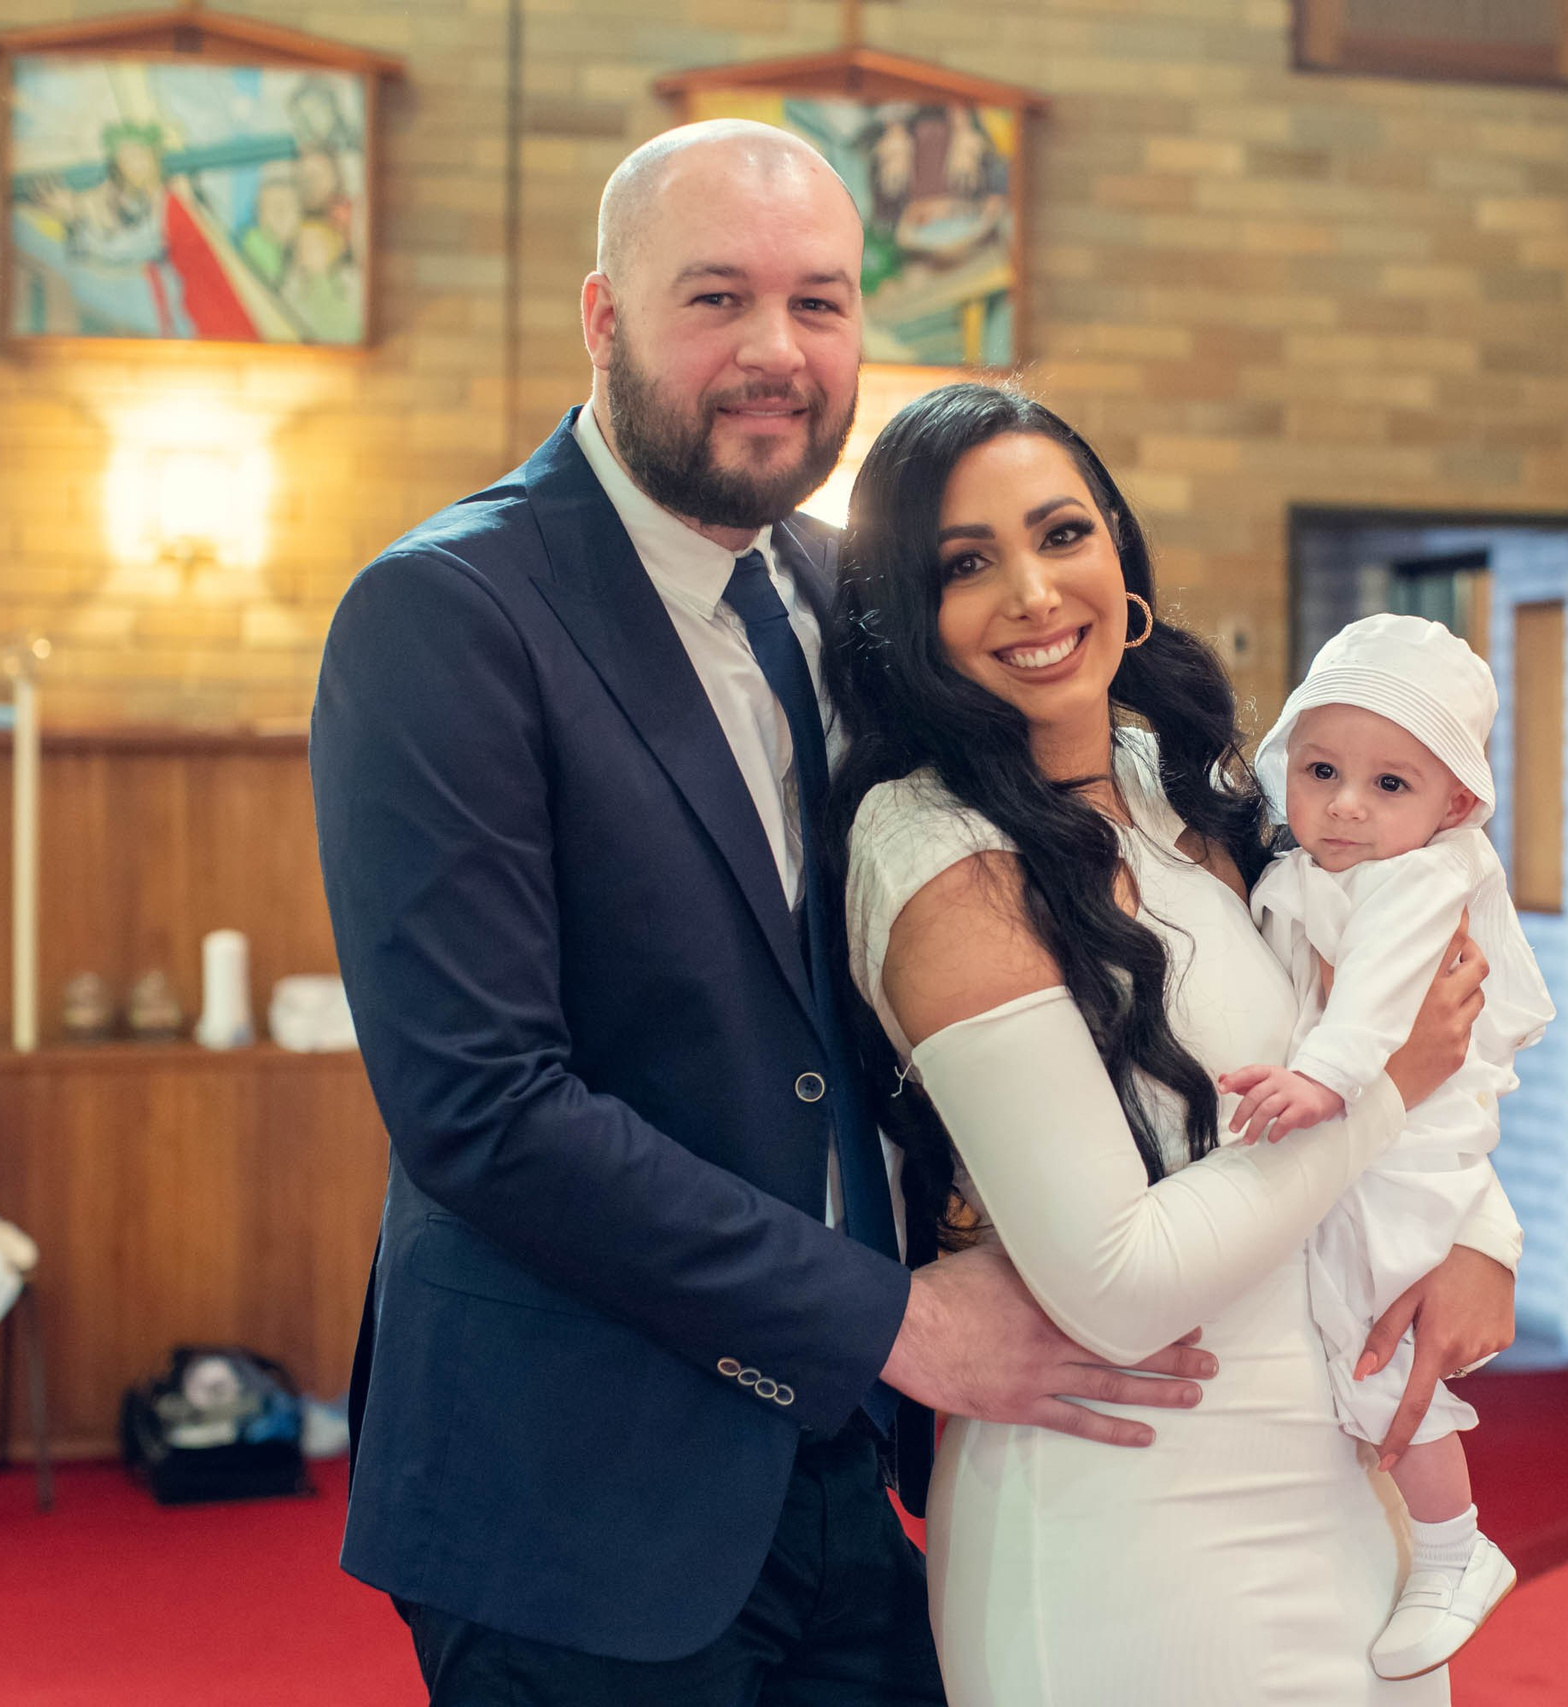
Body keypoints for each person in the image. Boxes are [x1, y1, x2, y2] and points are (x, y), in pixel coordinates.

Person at [310, 121, 1219, 1705]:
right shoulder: (447, 615)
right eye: (716, 299)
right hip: (578, 1484)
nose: (775, 353)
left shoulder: (857, 601)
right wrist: (892, 1320)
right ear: (601, 317)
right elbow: (484, 1107)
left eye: (820, 302)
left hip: (853, 1466)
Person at [827, 383, 1527, 1704]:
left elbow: (1410, 1012)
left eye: (1062, 532)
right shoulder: (939, 857)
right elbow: (1117, 1282)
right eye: (967, 564)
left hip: (1329, 1454)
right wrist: (1390, 1094)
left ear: (1121, 558)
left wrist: (1484, 1230)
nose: (1034, 591)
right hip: (1128, 1503)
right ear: (908, 616)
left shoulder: (1184, 781)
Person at [1223, 613, 1557, 1679]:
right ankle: (1438, 1543)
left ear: (1456, 803)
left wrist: (1319, 1076)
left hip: (1406, 1149)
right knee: (1350, 1338)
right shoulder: (1312, 864)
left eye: (1390, 785)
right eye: (1322, 770)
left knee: (1373, 1346)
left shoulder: (1420, 879)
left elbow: (1373, 1004)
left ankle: (1456, 1550)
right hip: (1372, 1138)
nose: (1347, 806)